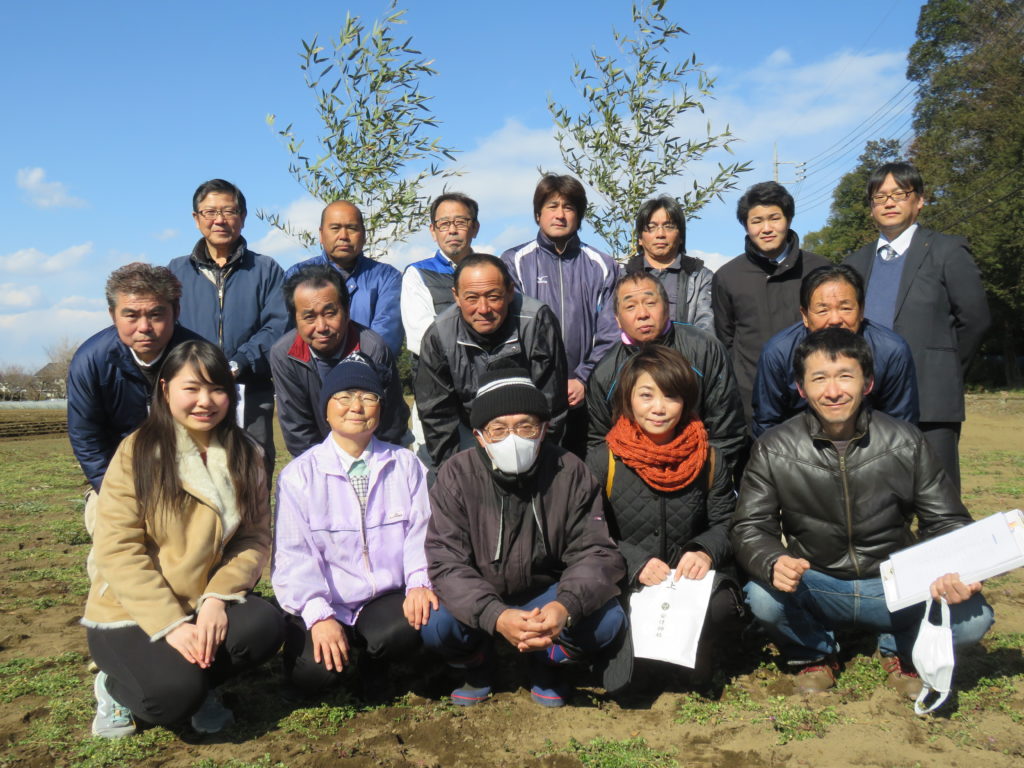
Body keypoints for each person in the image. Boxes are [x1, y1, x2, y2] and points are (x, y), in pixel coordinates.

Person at [732, 328, 993, 695]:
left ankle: (899, 647)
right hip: (816, 583)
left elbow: (946, 520)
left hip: (897, 585)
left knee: (973, 619)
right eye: (819, 378)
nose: (833, 391)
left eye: (845, 376)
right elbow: (750, 527)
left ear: (867, 382)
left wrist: (955, 568)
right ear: (801, 388)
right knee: (762, 598)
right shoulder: (773, 448)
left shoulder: (906, 441)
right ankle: (815, 652)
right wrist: (774, 560)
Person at [81, 340, 285, 738]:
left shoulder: (247, 453)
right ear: (165, 389)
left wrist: (217, 599)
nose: (205, 401)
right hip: (130, 610)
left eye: (217, 389)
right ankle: (114, 686)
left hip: (200, 601)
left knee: (265, 626)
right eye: (191, 388)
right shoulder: (137, 452)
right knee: (172, 697)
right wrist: (172, 625)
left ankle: (201, 682)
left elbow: (253, 538)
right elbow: (118, 549)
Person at [422, 368, 626, 707]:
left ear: (543, 429)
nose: (513, 438)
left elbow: (595, 551)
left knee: (608, 620)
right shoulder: (456, 475)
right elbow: (446, 561)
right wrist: (495, 616)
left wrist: (564, 606)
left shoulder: (570, 471)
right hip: (482, 592)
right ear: (480, 435)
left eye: (525, 426)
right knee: (435, 623)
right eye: (498, 429)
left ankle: (547, 661)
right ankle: (477, 662)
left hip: (548, 595)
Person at [272, 360, 436, 698]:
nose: (356, 407)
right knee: (313, 673)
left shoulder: (405, 465)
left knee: (412, 625)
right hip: (328, 599)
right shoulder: (298, 476)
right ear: (326, 410)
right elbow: (293, 554)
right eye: (344, 396)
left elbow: (421, 531)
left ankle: (374, 663)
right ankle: (325, 647)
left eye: (368, 397)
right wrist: (319, 615)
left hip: (385, 598)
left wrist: (419, 581)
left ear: (381, 408)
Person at [586, 346, 744, 688]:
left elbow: (727, 522)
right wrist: (635, 562)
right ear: (628, 398)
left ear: (686, 401)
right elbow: (588, 531)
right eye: (646, 395)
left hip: (683, 582)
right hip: (625, 580)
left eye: (671, 396)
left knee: (723, 606)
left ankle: (700, 653)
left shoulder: (708, 458)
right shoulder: (603, 460)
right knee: (628, 678)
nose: (659, 408)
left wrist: (704, 550)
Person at [845, 162, 990, 491]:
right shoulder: (855, 263)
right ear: (871, 207)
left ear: (920, 200)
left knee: (938, 500)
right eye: (879, 197)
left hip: (931, 402)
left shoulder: (947, 250)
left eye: (899, 194)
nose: (889, 202)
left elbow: (975, 320)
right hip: (870, 405)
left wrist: (945, 368)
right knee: (876, 502)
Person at [168, 179, 287, 479]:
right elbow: (169, 327)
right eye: (209, 212)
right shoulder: (176, 272)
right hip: (192, 392)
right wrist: (195, 366)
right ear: (196, 219)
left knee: (251, 475)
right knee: (191, 475)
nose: (219, 220)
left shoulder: (266, 270)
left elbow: (279, 325)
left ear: (242, 217)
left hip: (250, 390)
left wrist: (239, 362)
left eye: (229, 211)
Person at [501, 174, 620, 457]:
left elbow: (612, 333)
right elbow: (511, 330)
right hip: (532, 393)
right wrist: (540, 383)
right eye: (552, 206)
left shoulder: (603, 265)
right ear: (538, 214)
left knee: (587, 470)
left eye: (569, 207)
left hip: (589, 394)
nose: (560, 214)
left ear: (579, 215)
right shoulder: (514, 262)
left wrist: (583, 378)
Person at [415, 253, 568, 468]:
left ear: (510, 291)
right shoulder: (439, 335)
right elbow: (437, 416)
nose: (484, 309)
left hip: (528, 431)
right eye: (471, 298)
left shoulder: (536, 321)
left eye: (493, 297)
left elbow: (551, 404)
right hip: (470, 430)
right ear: (456, 296)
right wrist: (453, 473)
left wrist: (540, 465)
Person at [586, 274, 746, 473]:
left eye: (650, 303)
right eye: (630, 306)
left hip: (698, 473)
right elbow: (599, 441)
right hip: (632, 479)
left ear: (667, 307)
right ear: (617, 319)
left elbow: (727, 429)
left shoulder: (704, 349)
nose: (642, 314)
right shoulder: (605, 372)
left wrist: (709, 477)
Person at [68, 263, 202, 495]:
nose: (144, 327)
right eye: (131, 315)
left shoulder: (200, 357)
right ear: (113, 315)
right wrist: (113, 493)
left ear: (176, 311)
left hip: (189, 476)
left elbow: (217, 431)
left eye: (156, 315)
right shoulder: (90, 361)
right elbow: (87, 438)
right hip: (118, 475)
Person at [751, 264, 919, 437]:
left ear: (861, 310)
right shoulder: (778, 352)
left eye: (845, 308)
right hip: (798, 447)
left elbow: (902, 425)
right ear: (805, 315)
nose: (835, 320)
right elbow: (767, 423)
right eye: (823, 310)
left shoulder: (891, 350)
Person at [712, 181, 831, 424]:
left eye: (774, 218)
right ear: (746, 225)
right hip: (752, 402)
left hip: (816, 396)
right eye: (757, 221)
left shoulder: (821, 270)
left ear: (789, 219)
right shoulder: (727, 277)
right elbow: (726, 339)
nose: (766, 228)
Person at [270, 264, 409, 457]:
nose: (321, 327)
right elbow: (298, 430)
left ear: (347, 311)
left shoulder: (372, 348)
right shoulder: (284, 355)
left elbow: (389, 424)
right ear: (295, 319)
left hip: (374, 453)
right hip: (315, 458)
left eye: (330, 313)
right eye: (309, 317)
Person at [285, 201, 403, 356]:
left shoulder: (386, 277)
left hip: (369, 368)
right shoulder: (298, 275)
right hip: (311, 369)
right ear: (321, 234)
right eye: (335, 228)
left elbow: (386, 338)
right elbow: (289, 336)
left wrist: (354, 366)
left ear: (364, 235)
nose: (343, 236)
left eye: (352, 228)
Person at [401, 192, 481, 358]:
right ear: (433, 231)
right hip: (439, 369)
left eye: (461, 222)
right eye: (444, 224)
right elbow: (422, 336)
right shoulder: (417, 274)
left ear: (475, 228)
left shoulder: (491, 272)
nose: (452, 230)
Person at [624, 195, 713, 331]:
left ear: (681, 236)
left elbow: (706, 330)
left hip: (686, 345)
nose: (660, 234)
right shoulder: (622, 277)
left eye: (669, 226)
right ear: (640, 238)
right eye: (651, 227)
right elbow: (611, 330)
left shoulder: (700, 277)